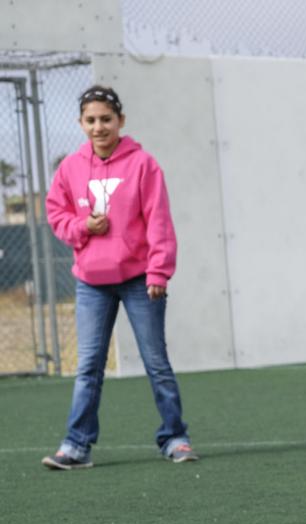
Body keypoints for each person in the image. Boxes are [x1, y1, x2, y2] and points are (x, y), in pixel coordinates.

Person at [41, 85, 196, 470]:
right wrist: (83, 227)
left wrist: (159, 270)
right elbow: (56, 213)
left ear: (120, 121)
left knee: (156, 362)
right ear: (80, 124)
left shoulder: (143, 164)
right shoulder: (70, 169)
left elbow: (159, 221)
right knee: (89, 366)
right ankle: (76, 446)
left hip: (140, 279)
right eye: (91, 120)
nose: (99, 127)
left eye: (106, 119)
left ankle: (175, 437)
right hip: (92, 282)